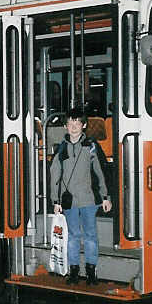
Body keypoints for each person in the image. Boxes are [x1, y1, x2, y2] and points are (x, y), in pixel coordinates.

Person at [50, 107, 112, 285]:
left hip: (89, 199)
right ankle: (74, 271)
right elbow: (55, 175)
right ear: (65, 126)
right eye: (70, 123)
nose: (74, 127)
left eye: (77, 123)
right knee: (73, 236)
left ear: (84, 125)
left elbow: (101, 172)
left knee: (91, 235)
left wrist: (105, 196)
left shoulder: (91, 147)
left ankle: (91, 271)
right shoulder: (61, 148)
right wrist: (56, 200)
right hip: (68, 201)